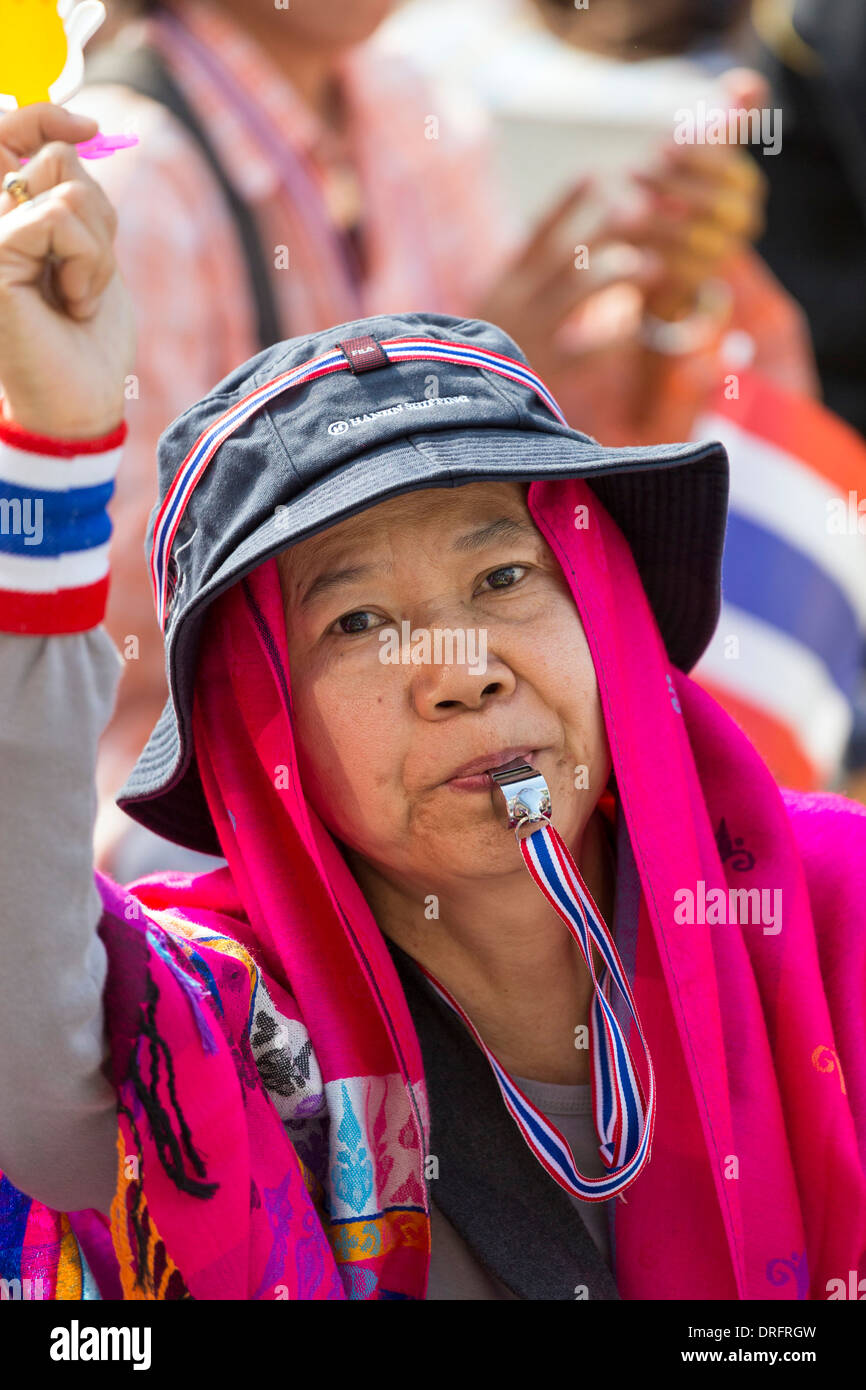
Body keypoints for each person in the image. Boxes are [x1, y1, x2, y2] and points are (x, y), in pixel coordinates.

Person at [1, 103, 864, 1302]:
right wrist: (46, 446)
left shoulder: (831, 916)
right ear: (262, 734)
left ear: (603, 613)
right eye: (355, 622)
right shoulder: (201, 1030)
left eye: (504, 577)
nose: (461, 666)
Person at [68, 0, 781, 878]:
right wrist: (441, 405)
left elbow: (550, 490)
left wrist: (668, 301)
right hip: (207, 793)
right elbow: (121, 618)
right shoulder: (129, 179)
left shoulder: (412, 110)